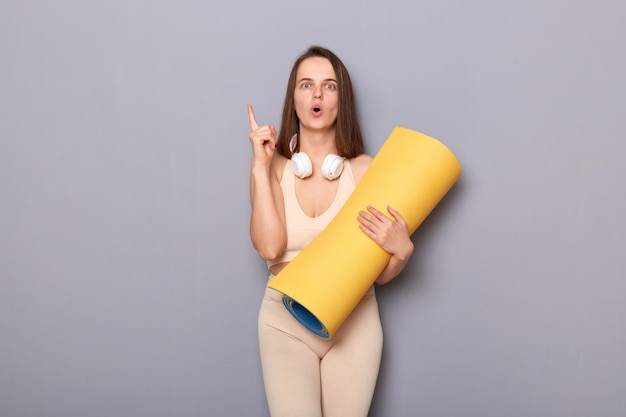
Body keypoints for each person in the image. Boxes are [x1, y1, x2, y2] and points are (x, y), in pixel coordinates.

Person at [248, 46, 415, 417]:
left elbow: (378, 271)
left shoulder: (366, 170)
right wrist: (260, 168)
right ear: (294, 98)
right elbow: (270, 247)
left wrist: (401, 252)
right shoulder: (271, 167)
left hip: (354, 322)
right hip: (285, 321)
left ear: (343, 100)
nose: (318, 94)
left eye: (330, 86)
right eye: (306, 85)